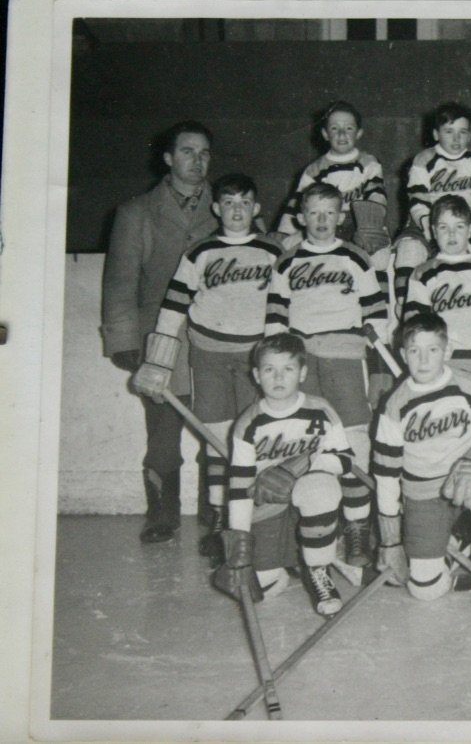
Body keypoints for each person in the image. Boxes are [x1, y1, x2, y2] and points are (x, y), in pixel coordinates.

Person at [132, 173, 282, 559]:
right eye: (229, 203)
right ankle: (218, 515)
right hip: (209, 355)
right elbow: (173, 306)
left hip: (254, 357)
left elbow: (285, 305)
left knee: (250, 437)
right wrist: (158, 361)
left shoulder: (272, 250)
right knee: (215, 435)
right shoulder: (199, 251)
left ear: (256, 208)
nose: (237, 210)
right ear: (216, 208)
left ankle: (250, 518)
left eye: (244, 202)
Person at [101, 120, 218, 544]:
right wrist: (123, 340)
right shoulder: (136, 213)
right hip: (161, 343)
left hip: (216, 339)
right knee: (164, 433)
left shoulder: (229, 206)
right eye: (187, 151)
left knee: (217, 428)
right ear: (168, 158)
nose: (197, 161)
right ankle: (162, 515)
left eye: (204, 153)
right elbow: (120, 282)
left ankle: (216, 515)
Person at [264, 182, 391, 567]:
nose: (321, 220)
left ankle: (357, 526)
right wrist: (277, 366)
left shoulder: (355, 257)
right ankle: (310, 529)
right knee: (303, 442)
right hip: (301, 359)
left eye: (329, 212)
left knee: (353, 442)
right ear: (301, 217)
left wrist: (380, 367)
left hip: (345, 357)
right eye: (314, 212)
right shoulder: (286, 261)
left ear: (342, 216)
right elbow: (275, 318)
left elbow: (377, 316)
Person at [371, 313, 471, 624]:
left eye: (433, 350)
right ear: (403, 354)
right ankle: (459, 536)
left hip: (468, 481)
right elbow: (386, 476)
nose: (423, 360)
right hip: (424, 493)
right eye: (414, 351)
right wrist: (390, 540)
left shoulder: (469, 385)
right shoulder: (394, 406)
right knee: (424, 590)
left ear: (447, 351)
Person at [217, 333, 359, 617]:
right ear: (256, 375)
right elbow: (239, 488)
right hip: (268, 507)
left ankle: (319, 569)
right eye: (270, 369)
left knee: (319, 487)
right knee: (262, 588)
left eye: (288, 369)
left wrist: (299, 465)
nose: (279, 377)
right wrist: (239, 544)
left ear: (302, 373)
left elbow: (346, 460)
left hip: (311, 500)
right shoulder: (248, 424)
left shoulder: (320, 409)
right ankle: (294, 559)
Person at [395, 102, 471, 309]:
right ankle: (405, 305)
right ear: (436, 134)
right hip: (427, 223)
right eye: (449, 131)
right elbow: (418, 202)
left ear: (470, 135)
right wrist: (431, 231)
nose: (456, 138)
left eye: (462, 132)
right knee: (409, 248)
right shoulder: (423, 160)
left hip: (464, 223)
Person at [403, 195, 471, 383]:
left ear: (470, 230)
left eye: (459, 227)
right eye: (444, 228)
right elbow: (415, 327)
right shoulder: (423, 273)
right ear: (434, 231)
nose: (451, 234)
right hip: (442, 363)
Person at [275, 100, 391, 276]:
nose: (342, 134)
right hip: (325, 222)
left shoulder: (368, 163)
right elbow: (297, 204)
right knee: (284, 247)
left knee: (379, 261)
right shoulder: (314, 170)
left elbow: (377, 197)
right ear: (325, 134)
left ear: (359, 133)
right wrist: (284, 232)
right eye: (335, 128)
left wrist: (372, 228)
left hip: (359, 223)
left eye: (349, 128)